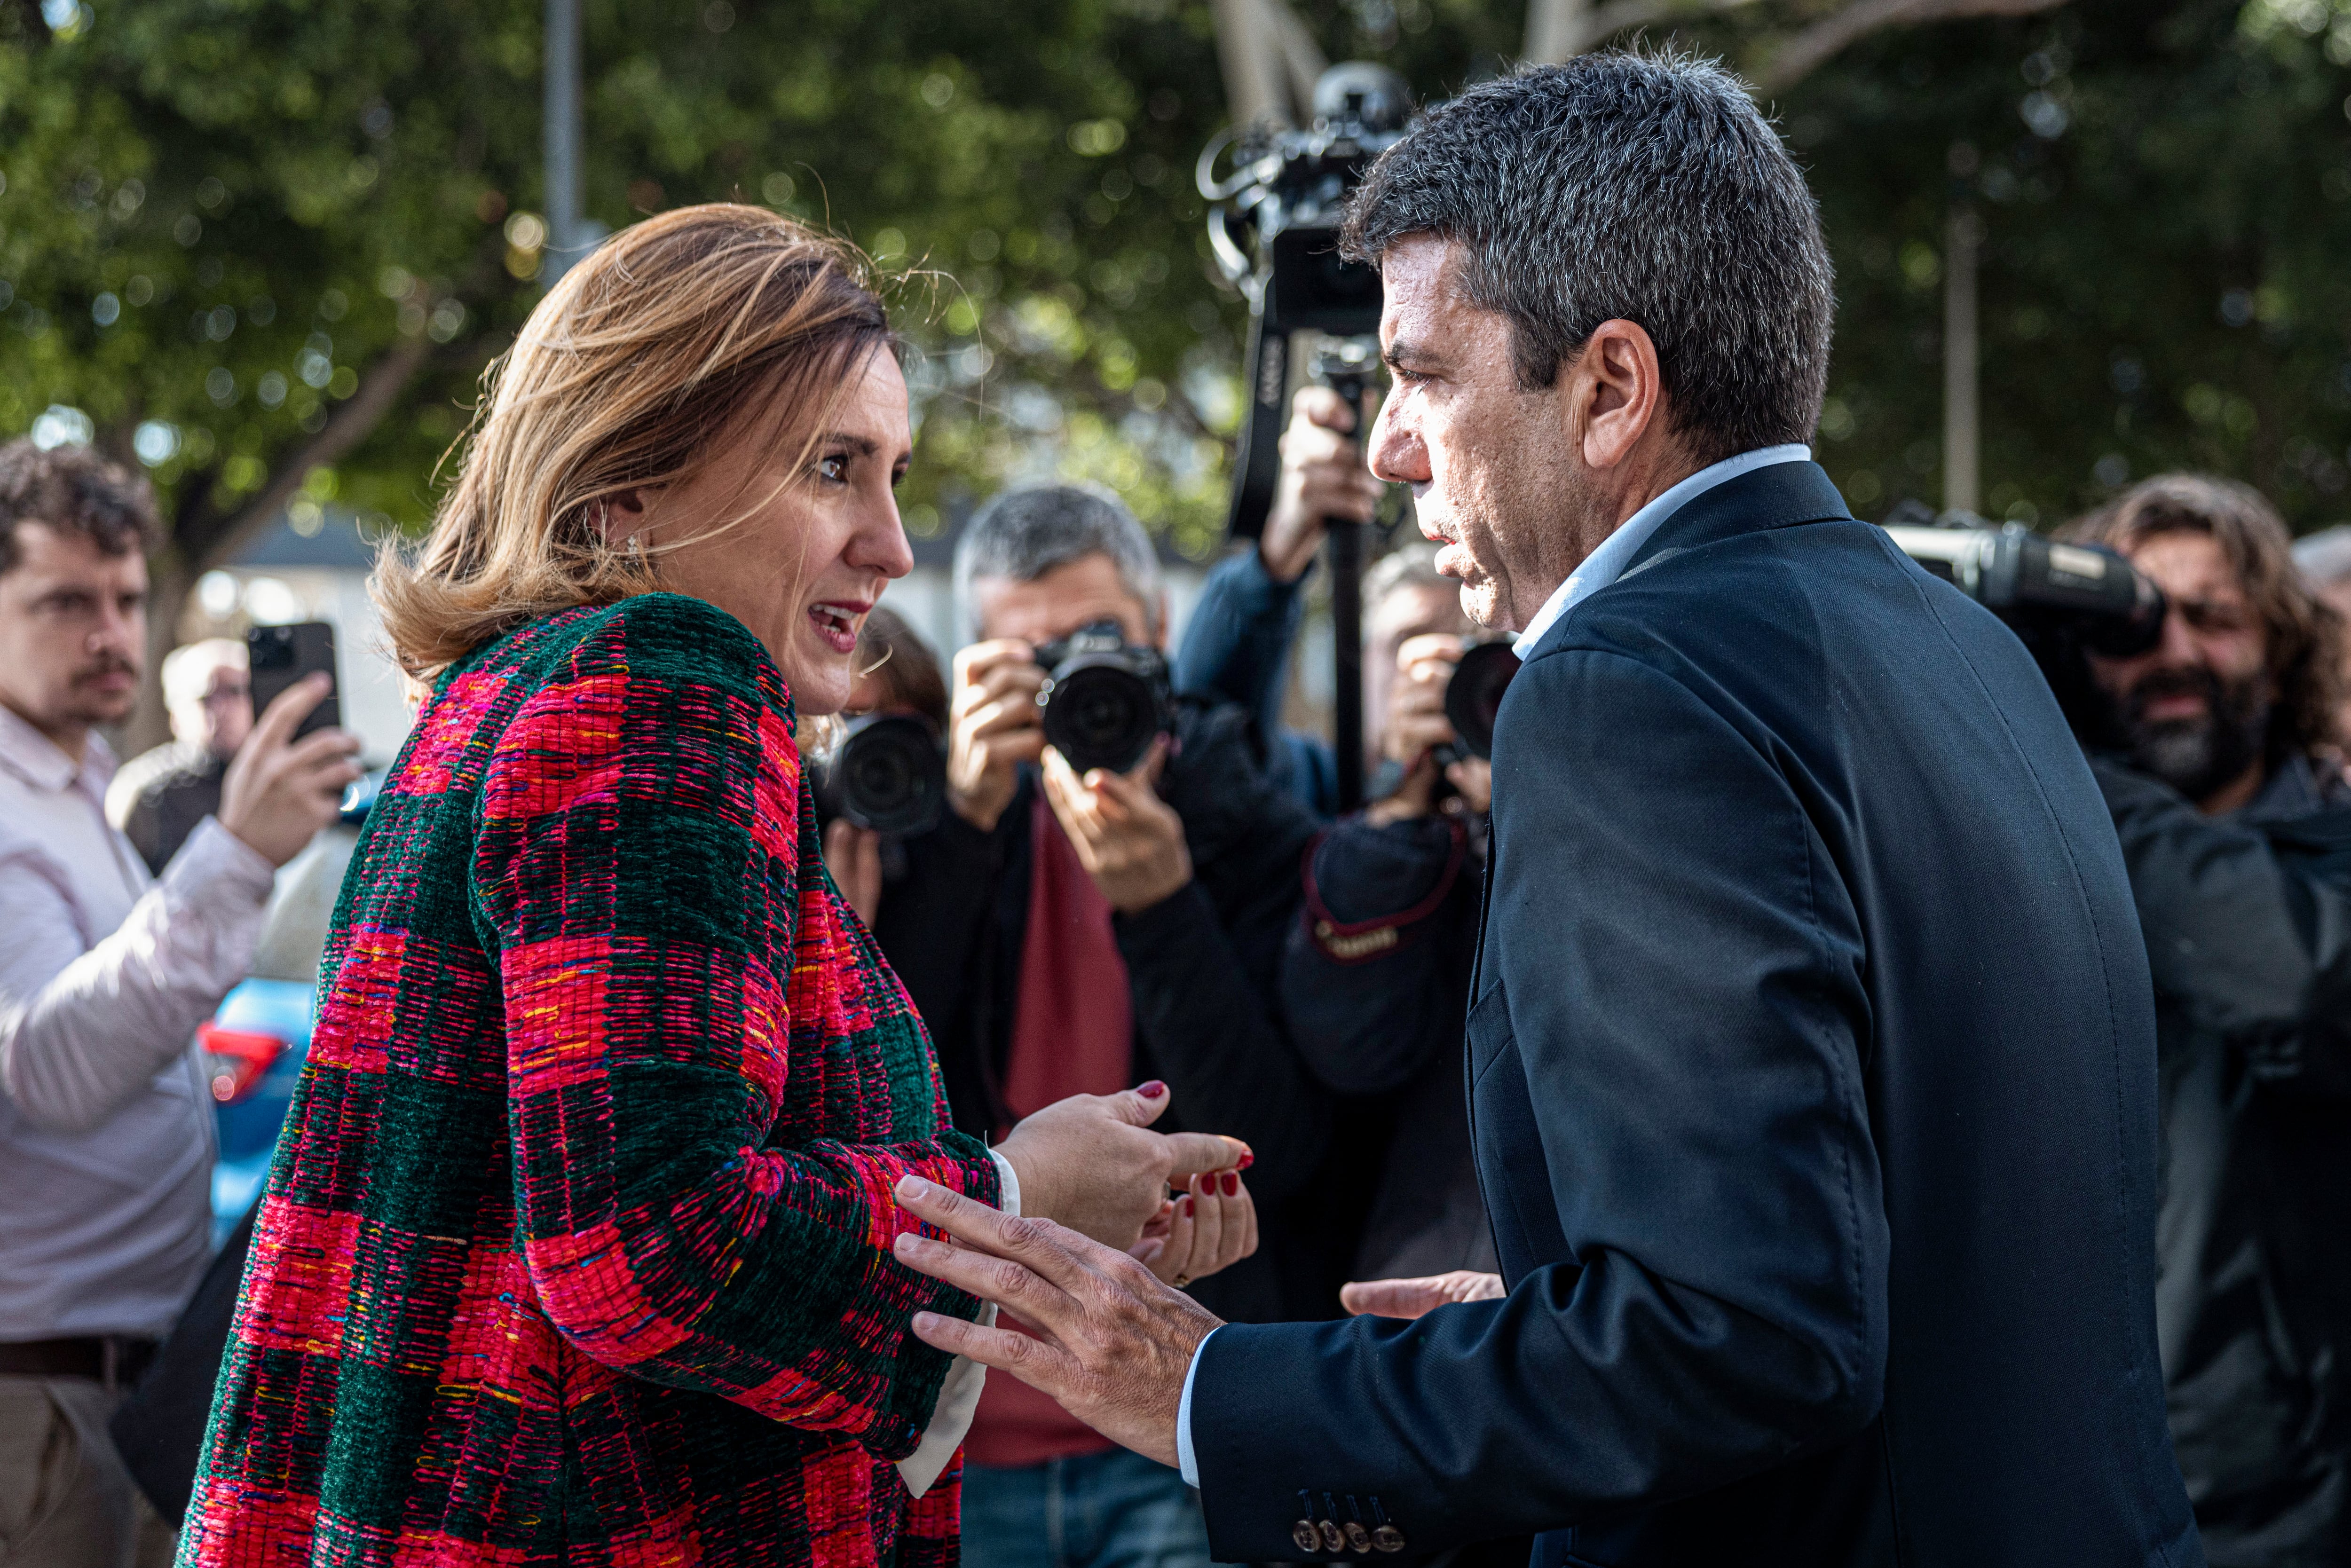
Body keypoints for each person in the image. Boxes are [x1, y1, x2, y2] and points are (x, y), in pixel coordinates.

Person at [889, 51, 2204, 1568]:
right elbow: (1884, 1244)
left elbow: (1740, 1338)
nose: (1387, 447)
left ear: (1610, 390)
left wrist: (1204, 1381)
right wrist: (1548, 1323)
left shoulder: (1617, 683)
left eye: (1425, 373)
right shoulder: (1963, 644)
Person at [180, 205, 1247, 1566]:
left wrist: (1050, 1241)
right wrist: (1015, 1191)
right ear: (627, 482)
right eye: (833, 469)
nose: (894, 542)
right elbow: (650, 1239)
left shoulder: (513, 686)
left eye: (895, 474)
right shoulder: (662, 677)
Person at [864, 485, 1326, 1568]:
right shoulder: (936, 809)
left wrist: (1164, 906)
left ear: (1158, 631)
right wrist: (963, 831)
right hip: (961, 1428)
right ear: (981, 659)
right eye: (1032, 656)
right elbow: (889, 1098)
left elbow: (1277, 1137)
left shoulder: (1231, 795)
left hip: (1168, 1418)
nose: (1072, 681)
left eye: (1095, 643)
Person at [0, 440, 360, 1568]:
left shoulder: (75, 779)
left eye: (127, 596)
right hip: (40, 1395)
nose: (110, 630)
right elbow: (53, 1070)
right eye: (66, 601)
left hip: (110, 1379)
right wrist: (238, 857)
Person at [2058, 477, 2351, 1565]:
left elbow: (2302, 983)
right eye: (2129, 622)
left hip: (2282, 1501)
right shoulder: (2023, 873)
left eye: (2213, 617)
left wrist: (2062, 788)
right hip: (2064, 1485)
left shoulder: (2330, 854)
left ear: (2279, 652)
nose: (2170, 649)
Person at [1170, 385, 1386, 812]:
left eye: (1465, 651)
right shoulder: (1316, 788)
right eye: (1408, 642)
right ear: (1364, 656)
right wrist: (1280, 552)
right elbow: (1208, 724)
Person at [106, 638, 252, 874]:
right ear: (175, 714)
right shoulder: (143, 795)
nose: (224, 709)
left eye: (236, 692)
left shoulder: (278, 780)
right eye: (206, 697)